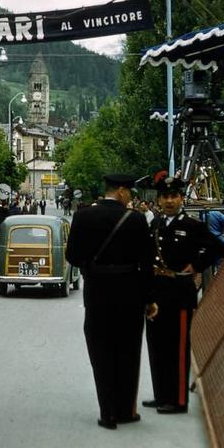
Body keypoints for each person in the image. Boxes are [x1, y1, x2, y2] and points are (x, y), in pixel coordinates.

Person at [65, 173, 156, 430]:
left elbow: (72, 255)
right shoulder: (137, 220)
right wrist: (150, 299)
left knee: (101, 351)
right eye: (130, 192)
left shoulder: (83, 216)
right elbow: (147, 264)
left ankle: (107, 414)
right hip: (130, 293)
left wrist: (93, 268)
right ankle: (126, 411)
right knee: (128, 352)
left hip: (97, 292)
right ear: (122, 192)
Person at [144, 177, 224, 414]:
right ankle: (161, 395)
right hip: (157, 292)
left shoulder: (192, 226)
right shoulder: (156, 224)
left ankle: (178, 400)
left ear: (181, 199)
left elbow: (219, 248)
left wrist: (197, 265)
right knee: (157, 346)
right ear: (159, 200)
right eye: (165, 197)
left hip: (179, 293)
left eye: (174, 196)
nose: (169, 201)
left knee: (177, 348)